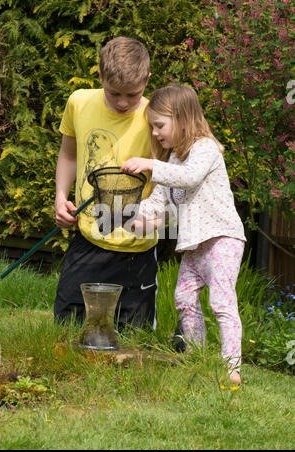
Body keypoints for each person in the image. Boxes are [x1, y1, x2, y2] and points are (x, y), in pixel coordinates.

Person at [121, 85, 246, 384]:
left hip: (221, 240)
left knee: (221, 302)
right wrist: (133, 220)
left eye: (159, 125)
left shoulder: (205, 149)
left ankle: (233, 369)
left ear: (182, 119)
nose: (154, 133)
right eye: (152, 127)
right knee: (184, 298)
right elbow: (158, 203)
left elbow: (188, 179)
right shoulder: (173, 161)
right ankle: (197, 356)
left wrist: (150, 165)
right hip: (195, 247)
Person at [54, 36, 158, 330]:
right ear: (100, 76)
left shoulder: (157, 116)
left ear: (147, 80)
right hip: (88, 239)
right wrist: (61, 198)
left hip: (136, 248)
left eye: (133, 95)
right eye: (114, 94)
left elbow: (171, 173)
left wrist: (158, 215)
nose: (124, 102)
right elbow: (69, 154)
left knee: (133, 337)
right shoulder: (79, 102)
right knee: (67, 325)